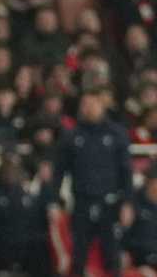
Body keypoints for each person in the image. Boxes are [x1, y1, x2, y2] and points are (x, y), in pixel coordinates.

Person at [54, 87, 134, 277]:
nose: (88, 108)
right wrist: (55, 201)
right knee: (79, 255)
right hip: (82, 202)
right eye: (85, 104)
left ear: (102, 105)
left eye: (92, 104)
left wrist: (128, 203)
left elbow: (126, 171)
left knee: (112, 256)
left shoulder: (117, 133)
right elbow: (59, 171)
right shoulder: (72, 135)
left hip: (110, 203)